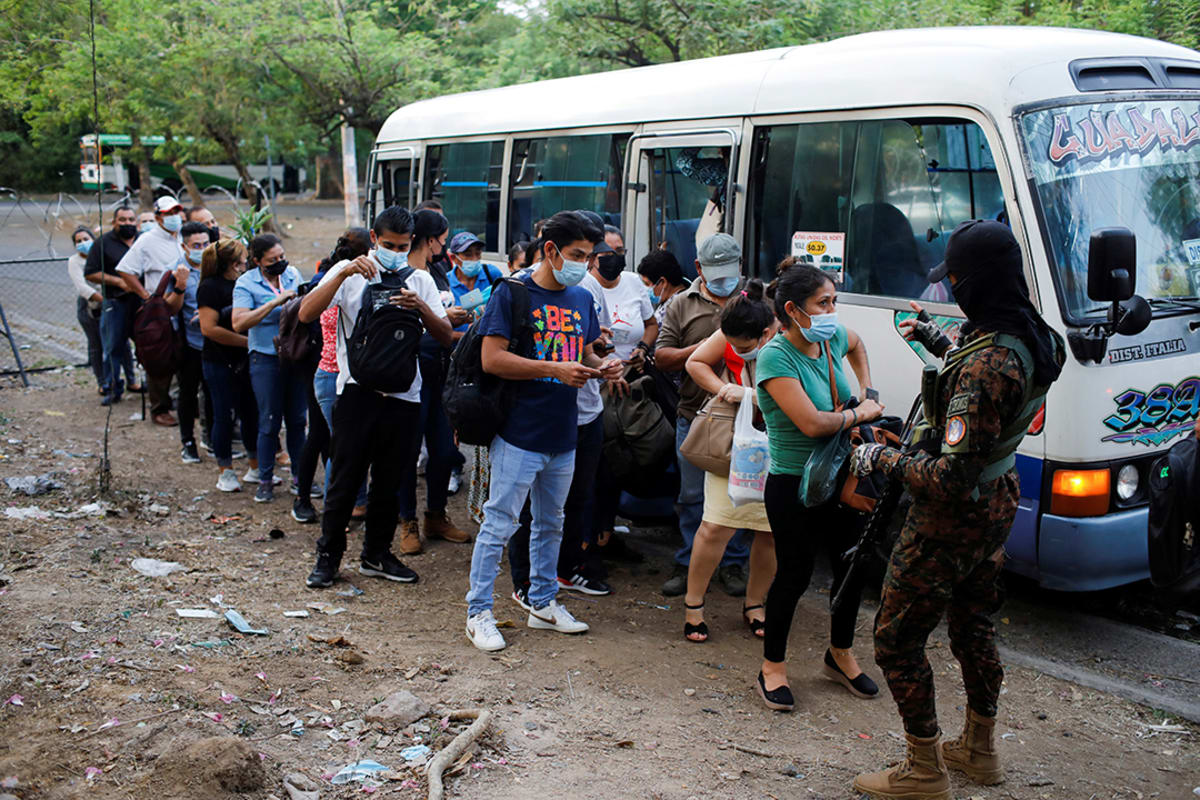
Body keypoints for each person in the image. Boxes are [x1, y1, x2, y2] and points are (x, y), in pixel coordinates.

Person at [850, 220, 1065, 799]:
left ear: (978, 283)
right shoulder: (1037, 336)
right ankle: (979, 748)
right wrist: (942, 346)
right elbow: (996, 390)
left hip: (951, 516)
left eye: (958, 281)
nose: (953, 293)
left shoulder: (985, 366)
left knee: (896, 639)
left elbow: (949, 475)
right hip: (998, 501)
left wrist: (883, 460)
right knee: (973, 623)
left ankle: (923, 769)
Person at [464, 210, 619, 652]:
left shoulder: (581, 298)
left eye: (589, 257)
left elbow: (583, 353)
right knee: (500, 522)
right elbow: (493, 359)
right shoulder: (513, 293)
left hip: (563, 431)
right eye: (576, 255)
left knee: (552, 521)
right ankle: (478, 611)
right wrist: (554, 368)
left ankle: (544, 602)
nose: (584, 265)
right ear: (550, 251)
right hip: (517, 430)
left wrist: (601, 367)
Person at [298, 205, 452, 589]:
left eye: (402, 246)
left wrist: (419, 308)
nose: (395, 252)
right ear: (373, 238)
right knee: (345, 482)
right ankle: (328, 557)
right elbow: (305, 313)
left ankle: (377, 554)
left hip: (405, 395)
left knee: (391, 479)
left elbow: (445, 334)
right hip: (356, 392)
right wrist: (345, 272)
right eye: (388, 245)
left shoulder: (420, 279)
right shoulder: (348, 272)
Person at [754, 261, 882, 713]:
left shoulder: (829, 338)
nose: (832, 311)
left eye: (834, 301)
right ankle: (773, 666)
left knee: (852, 568)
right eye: (822, 303)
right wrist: (860, 414)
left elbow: (859, 343)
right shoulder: (775, 357)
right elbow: (811, 423)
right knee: (795, 574)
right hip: (794, 485)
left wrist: (867, 389)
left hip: (843, 478)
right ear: (794, 310)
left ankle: (840, 655)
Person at [681, 279, 779, 642]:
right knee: (715, 526)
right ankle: (694, 605)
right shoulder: (732, 331)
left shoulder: (790, 341)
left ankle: (755, 605)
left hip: (782, 444)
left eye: (745, 346)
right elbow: (695, 362)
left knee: (769, 532)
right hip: (737, 445)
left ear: (770, 331)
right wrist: (725, 389)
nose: (739, 350)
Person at [655, 233, 751, 597]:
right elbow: (661, 357)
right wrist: (705, 349)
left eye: (730, 271)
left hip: (745, 418)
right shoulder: (681, 304)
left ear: (740, 267)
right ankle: (688, 561)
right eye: (716, 272)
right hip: (695, 415)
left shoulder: (756, 300)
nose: (725, 280)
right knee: (691, 496)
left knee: (740, 493)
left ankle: (733, 564)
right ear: (699, 269)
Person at [396, 213, 471, 553]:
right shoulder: (401, 277)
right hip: (411, 376)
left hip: (442, 374)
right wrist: (440, 322)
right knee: (408, 451)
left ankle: (436, 515)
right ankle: (407, 520)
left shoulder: (436, 273)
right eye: (443, 240)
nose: (444, 246)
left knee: (443, 451)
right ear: (429, 240)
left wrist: (453, 318)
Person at [232, 233, 307, 503]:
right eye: (272, 260)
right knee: (269, 421)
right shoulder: (246, 283)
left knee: (298, 421)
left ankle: (301, 477)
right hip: (264, 358)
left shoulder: (293, 274)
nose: (280, 263)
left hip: (294, 357)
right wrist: (275, 302)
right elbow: (239, 323)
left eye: (282, 257)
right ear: (257, 261)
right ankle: (265, 480)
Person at [310, 228, 372, 523]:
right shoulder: (340, 287)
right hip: (334, 378)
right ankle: (336, 510)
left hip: (334, 376)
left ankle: (356, 503)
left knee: (349, 448)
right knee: (343, 450)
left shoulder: (341, 283)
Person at [116, 195, 187, 426]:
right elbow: (125, 270)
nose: (174, 218)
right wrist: (145, 296)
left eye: (176, 212)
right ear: (158, 217)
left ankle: (181, 402)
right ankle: (159, 408)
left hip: (183, 303)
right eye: (168, 214)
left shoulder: (183, 237)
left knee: (182, 354)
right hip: (159, 306)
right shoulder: (147, 240)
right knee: (158, 357)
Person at [197, 238, 260, 493]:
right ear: (233, 263)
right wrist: (247, 342)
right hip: (219, 361)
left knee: (251, 414)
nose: (246, 263)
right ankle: (226, 470)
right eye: (243, 259)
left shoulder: (244, 284)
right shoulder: (210, 288)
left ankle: (255, 466)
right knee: (223, 416)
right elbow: (209, 329)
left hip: (245, 361)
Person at [163, 222, 211, 463]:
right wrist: (180, 287)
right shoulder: (175, 271)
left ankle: (209, 437)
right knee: (188, 394)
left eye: (205, 244)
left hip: (214, 342)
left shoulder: (214, 266)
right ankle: (187, 442)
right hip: (189, 344)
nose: (201, 249)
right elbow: (170, 308)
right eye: (196, 245)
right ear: (184, 246)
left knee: (212, 393)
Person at [85, 206, 143, 405]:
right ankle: (112, 388)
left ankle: (145, 384)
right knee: (113, 348)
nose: (127, 223)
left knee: (147, 344)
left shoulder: (143, 240)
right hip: (116, 302)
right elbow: (91, 272)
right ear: (114, 222)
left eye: (131, 219)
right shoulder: (103, 243)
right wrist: (118, 281)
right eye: (123, 220)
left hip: (142, 302)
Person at [67, 226, 105, 394]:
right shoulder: (74, 261)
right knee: (96, 344)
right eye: (79, 241)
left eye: (86, 239)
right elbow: (82, 288)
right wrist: (105, 300)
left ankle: (129, 380)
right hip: (89, 306)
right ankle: (103, 382)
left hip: (110, 303)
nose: (83, 243)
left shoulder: (102, 256)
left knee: (119, 343)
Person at [637, 249, 688, 327]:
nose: (645, 289)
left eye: (647, 284)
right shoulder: (683, 297)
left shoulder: (671, 312)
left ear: (663, 282)